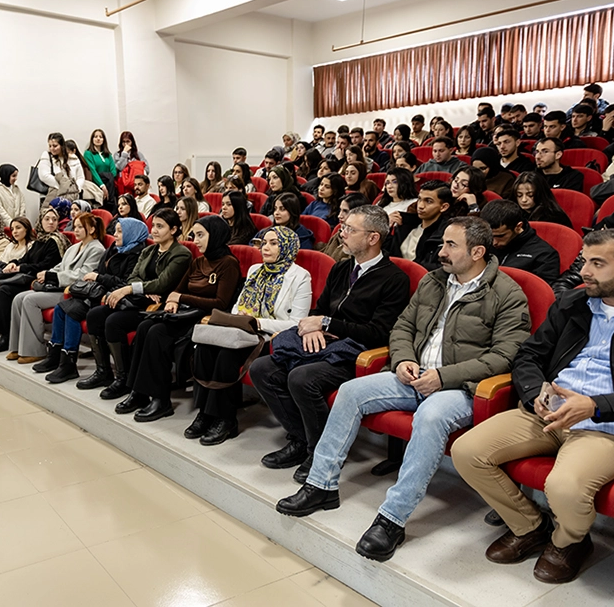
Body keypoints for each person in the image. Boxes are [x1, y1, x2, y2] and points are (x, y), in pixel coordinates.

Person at [278, 217, 530, 563]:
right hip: (412, 375)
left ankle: (391, 520)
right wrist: (402, 360)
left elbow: (504, 356)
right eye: (442, 244)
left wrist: (444, 377)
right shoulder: (433, 282)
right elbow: (401, 328)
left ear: (478, 252)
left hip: (460, 388)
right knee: (351, 392)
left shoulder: (506, 293)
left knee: (429, 417)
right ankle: (321, 485)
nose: (440, 252)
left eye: (450, 246)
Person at [453, 227, 614, 584]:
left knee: (564, 487)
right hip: (548, 411)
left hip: (604, 425)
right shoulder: (573, 302)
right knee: (467, 450)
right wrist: (535, 393)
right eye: (583, 261)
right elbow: (529, 355)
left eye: (597, 263)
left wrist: (594, 405)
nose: (584, 272)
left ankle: (569, 542)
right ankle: (529, 525)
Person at [249, 206, 411, 481]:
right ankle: (301, 440)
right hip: (323, 344)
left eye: (350, 230)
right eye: (343, 227)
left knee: (302, 378)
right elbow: (320, 309)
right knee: (262, 368)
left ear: (373, 238)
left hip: (356, 355)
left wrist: (325, 324)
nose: (341, 234)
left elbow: (379, 333)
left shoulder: (394, 279)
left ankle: (320, 452)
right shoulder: (341, 268)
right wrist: (313, 326)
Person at [189, 227, 312, 445]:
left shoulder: (300, 276)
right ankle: (206, 412)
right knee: (206, 347)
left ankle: (226, 420)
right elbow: (237, 307)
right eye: (264, 242)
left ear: (287, 247)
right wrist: (240, 318)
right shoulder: (256, 269)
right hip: (241, 329)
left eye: (274, 243)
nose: (266, 247)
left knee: (227, 354)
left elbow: (296, 324)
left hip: (270, 336)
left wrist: (257, 322)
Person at [117, 216, 242, 422]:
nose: (195, 240)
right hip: (185, 314)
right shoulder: (199, 261)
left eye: (201, 235)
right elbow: (177, 290)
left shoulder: (228, 264)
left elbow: (221, 302)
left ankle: (161, 399)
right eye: (194, 235)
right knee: (145, 326)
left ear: (216, 235)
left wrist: (181, 298)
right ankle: (139, 391)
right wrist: (173, 301)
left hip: (204, 318)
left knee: (156, 332)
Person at [83, 208, 192, 395]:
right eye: (153, 226)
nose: (154, 231)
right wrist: (145, 288)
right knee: (94, 315)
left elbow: (162, 283)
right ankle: (103, 371)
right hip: (139, 300)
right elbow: (133, 277)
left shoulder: (181, 254)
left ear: (173, 230)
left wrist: (135, 288)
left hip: (156, 306)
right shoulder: (149, 250)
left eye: (160, 226)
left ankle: (123, 378)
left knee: (113, 321)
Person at [38, 217, 150, 384]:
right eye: (115, 230)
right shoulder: (114, 248)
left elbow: (124, 282)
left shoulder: (136, 254)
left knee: (73, 312)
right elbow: (101, 270)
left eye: (120, 231)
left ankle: (70, 363)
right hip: (99, 293)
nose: (115, 235)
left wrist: (99, 278)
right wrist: (98, 278)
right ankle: (57, 357)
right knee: (62, 308)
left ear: (131, 234)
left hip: (112, 296)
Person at [8, 212, 106, 364]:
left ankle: (35, 350)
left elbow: (83, 275)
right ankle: (17, 347)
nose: (76, 230)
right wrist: (47, 273)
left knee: (29, 300)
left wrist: (53, 277)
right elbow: (60, 266)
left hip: (72, 292)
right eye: (75, 227)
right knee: (18, 298)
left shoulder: (97, 249)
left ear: (92, 229)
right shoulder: (74, 247)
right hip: (59, 287)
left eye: (81, 227)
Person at [0, 208, 68, 351]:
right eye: (47, 219)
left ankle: (5, 336)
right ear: (40, 220)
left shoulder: (56, 241)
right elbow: (25, 258)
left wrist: (21, 268)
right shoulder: (41, 239)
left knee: (3, 290)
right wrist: (15, 262)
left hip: (38, 279)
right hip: (27, 274)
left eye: (54, 219)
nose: (50, 222)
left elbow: (46, 265)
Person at [480, 200, 559, 284]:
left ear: (518, 226)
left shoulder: (544, 254)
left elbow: (542, 292)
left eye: (500, 236)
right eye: (490, 235)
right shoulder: (481, 243)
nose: (493, 242)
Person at [383, 180, 453, 270]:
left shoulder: (445, 234)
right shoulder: (405, 223)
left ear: (443, 207)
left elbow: (439, 267)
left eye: (428, 201)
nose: (420, 206)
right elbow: (384, 253)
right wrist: (386, 228)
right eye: (419, 199)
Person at [320, 194, 369, 263]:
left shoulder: (361, 243)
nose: (339, 216)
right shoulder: (339, 232)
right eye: (340, 210)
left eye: (345, 211)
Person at [37, 132, 84, 203]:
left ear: (62, 145)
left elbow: (80, 177)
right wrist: (64, 187)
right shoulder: (47, 156)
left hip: (72, 196)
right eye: (50, 146)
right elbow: (44, 176)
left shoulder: (73, 159)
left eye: (55, 146)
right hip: (52, 195)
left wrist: (76, 188)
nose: (52, 148)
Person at [84, 129, 116, 209]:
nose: (98, 139)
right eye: (95, 137)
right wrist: (102, 185)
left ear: (104, 140)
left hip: (110, 182)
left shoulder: (108, 154)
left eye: (100, 137)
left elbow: (113, 171)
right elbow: (92, 170)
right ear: (92, 139)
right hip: (97, 182)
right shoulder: (88, 154)